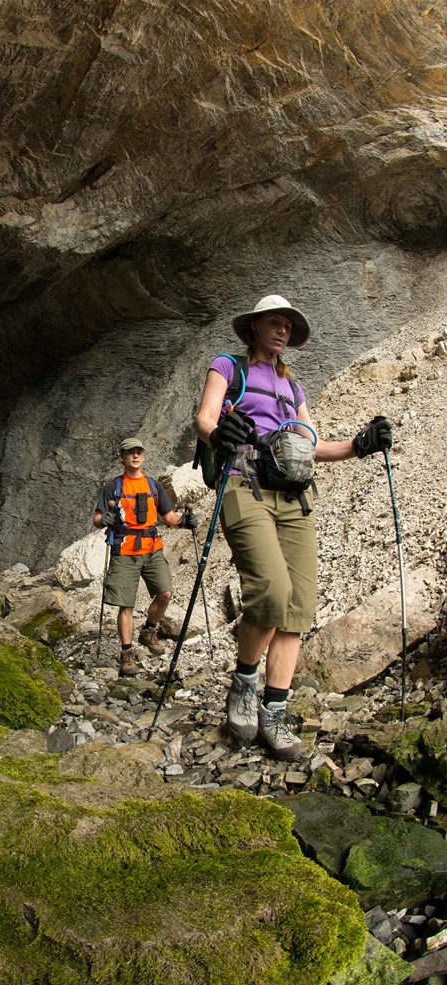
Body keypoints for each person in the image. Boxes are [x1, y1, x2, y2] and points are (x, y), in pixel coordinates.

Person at [196, 294, 392, 760]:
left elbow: (312, 444)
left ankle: (274, 712)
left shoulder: (293, 387)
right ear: (255, 327)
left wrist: (359, 444)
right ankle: (245, 681)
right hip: (245, 486)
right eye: (274, 323)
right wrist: (219, 434)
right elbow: (206, 420)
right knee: (270, 589)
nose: (282, 331)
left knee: (299, 606)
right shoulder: (228, 368)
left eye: (288, 325)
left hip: (295, 495)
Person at [93, 437, 198, 677]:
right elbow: (97, 519)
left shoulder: (153, 485)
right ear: (122, 457)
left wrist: (185, 522)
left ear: (144, 456)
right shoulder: (113, 487)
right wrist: (104, 520)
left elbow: (169, 517)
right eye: (130, 453)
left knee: (165, 592)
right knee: (126, 604)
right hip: (125, 550)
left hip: (152, 549)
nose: (136, 456)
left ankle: (149, 630)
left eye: (139, 452)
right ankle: (127, 652)